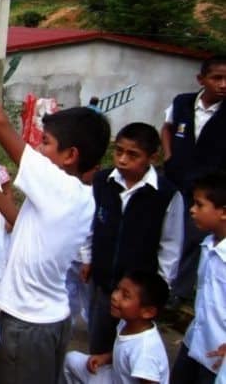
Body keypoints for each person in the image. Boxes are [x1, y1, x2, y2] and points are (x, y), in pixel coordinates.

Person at [0, 35, 110, 384]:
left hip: (26, 324)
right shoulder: (77, 196)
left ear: (71, 156)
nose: (39, 148)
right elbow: (25, 227)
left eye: (47, 143)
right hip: (47, 319)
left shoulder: (59, 185)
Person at [84, 122, 184, 354]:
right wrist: (87, 257)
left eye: (133, 154)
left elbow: (170, 245)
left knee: (130, 347)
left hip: (139, 289)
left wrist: (161, 286)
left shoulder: (165, 195)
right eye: (119, 151)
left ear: (153, 158)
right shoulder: (102, 182)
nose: (122, 160)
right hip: (103, 280)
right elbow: (90, 224)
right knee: (98, 341)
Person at [161, 56, 226, 304]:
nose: (223, 84)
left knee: (194, 236)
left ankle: (178, 293)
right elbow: (167, 127)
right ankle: (161, 281)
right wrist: (168, 156)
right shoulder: (183, 103)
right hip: (176, 176)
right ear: (201, 79)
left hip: (207, 184)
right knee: (168, 230)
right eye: (216, 78)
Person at [63, 271, 170, 384]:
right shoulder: (127, 322)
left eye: (125, 295)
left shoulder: (145, 351)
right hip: (114, 377)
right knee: (70, 359)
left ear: (148, 312)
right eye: (117, 289)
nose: (114, 296)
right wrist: (105, 357)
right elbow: (125, 353)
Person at [171, 171, 226, 383]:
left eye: (199, 205)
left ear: (223, 212)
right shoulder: (207, 246)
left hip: (218, 355)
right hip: (195, 342)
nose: (192, 210)